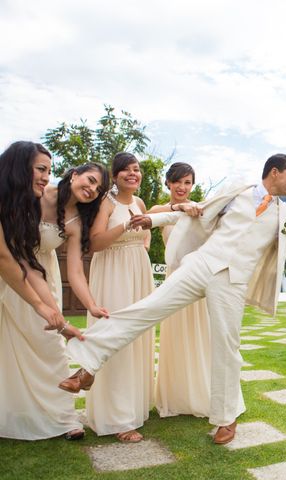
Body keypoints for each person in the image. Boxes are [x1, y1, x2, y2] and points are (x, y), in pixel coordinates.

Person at [60, 154, 286, 444]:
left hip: (233, 281)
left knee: (226, 347)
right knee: (145, 309)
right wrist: (154, 219)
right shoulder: (238, 191)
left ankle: (226, 418)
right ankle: (88, 367)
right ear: (274, 173)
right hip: (201, 264)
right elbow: (195, 211)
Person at [0, 142, 88, 440]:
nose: (45, 177)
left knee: (49, 344)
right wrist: (43, 308)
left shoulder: (19, 204)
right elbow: (5, 260)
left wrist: (57, 319)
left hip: (19, 278)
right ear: (18, 167)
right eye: (40, 169)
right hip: (8, 280)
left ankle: (63, 418)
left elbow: (25, 264)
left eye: (48, 171)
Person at [80, 153, 155, 443]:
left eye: (136, 170)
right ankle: (117, 418)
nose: (133, 174)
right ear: (115, 175)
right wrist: (125, 227)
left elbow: (146, 234)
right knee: (117, 338)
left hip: (138, 272)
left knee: (137, 338)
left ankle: (134, 407)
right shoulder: (107, 203)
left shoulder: (139, 203)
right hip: (113, 272)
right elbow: (95, 243)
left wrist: (140, 249)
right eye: (126, 170)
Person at [150, 162, 211, 418]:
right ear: (168, 183)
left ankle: (201, 394)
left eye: (187, 183)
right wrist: (178, 207)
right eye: (178, 182)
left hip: (197, 276)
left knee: (201, 336)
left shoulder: (201, 209)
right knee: (175, 336)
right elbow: (154, 214)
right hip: (174, 277)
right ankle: (175, 396)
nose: (182, 187)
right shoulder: (162, 209)